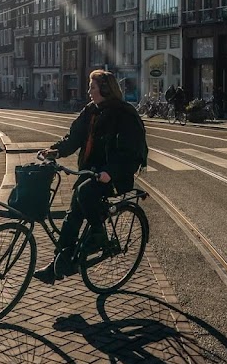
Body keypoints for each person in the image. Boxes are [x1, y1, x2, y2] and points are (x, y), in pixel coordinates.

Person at [33, 69, 145, 284]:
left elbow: (131, 152)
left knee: (85, 193)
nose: (88, 91)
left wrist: (110, 172)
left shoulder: (124, 113)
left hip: (114, 175)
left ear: (104, 88)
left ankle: (98, 236)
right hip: (91, 172)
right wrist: (56, 151)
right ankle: (59, 262)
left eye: (92, 87)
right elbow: (74, 137)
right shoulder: (90, 111)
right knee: (72, 217)